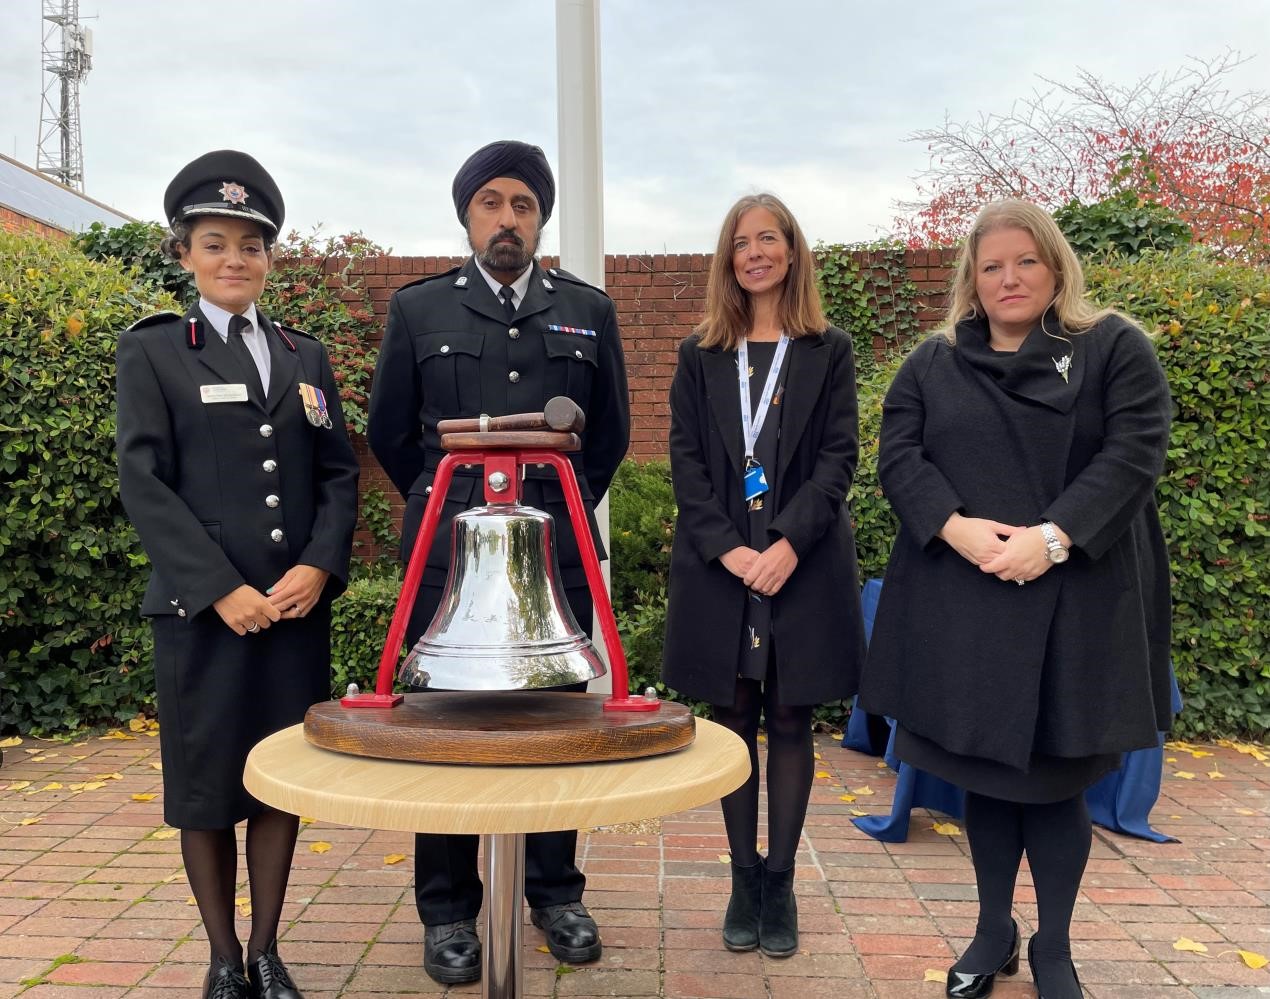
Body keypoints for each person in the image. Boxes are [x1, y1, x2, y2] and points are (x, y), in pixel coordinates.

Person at [858, 200, 1173, 999]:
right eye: (992, 265)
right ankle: (993, 927)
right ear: (971, 277)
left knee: (1057, 778)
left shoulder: (1112, 347)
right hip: (963, 604)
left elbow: (1135, 453)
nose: (1009, 278)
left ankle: (1054, 946)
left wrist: (1054, 537)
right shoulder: (931, 362)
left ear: (1056, 266)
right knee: (987, 778)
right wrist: (955, 528)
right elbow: (899, 455)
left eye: (1025, 261)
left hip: (1078, 602)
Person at [367, 139, 629, 985]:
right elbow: (390, 432)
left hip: (553, 555)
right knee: (444, 730)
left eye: (522, 204)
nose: (507, 219)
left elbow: (610, 434)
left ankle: (555, 890)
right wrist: (454, 511)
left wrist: (548, 518)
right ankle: (447, 909)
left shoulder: (587, 309)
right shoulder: (420, 311)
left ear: (540, 217)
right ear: (468, 216)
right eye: (491, 204)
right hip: (450, 555)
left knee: (555, 726)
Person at [116, 150, 360, 999]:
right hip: (201, 615)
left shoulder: (306, 355)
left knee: (277, 783)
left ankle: (266, 949)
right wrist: (219, 586)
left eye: (250, 246)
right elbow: (143, 481)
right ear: (184, 253)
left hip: (292, 613)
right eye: (215, 244)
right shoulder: (152, 353)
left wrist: (319, 568)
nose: (234, 260)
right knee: (207, 789)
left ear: (269, 258)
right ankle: (223, 957)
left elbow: (338, 472)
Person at [661, 193, 867, 958]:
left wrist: (784, 542)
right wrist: (731, 549)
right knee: (733, 719)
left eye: (768, 238)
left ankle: (780, 880)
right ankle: (741, 878)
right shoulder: (700, 354)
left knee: (789, 719)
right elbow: (685, 464)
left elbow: (839, 457)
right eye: (741, 241)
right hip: (722, 568)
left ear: (791, 251)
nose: (755, 252)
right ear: (728, 258)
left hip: (800, 564)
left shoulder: (827, 348)